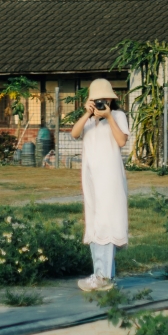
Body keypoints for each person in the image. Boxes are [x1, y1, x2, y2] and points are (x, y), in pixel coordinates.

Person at [70, 78, 128, 291]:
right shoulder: (87, 120)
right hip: (91, 176)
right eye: (97, 101)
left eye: (104, 100)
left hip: (110, 176)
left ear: (111, 100)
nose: (101, 104)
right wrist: (87, 114)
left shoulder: (118, 115)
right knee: (94, 221)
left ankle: (103, 276)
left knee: (107, 221)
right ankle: (103, 275)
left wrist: (109, 116)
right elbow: (74, 134)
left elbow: (122, 141)